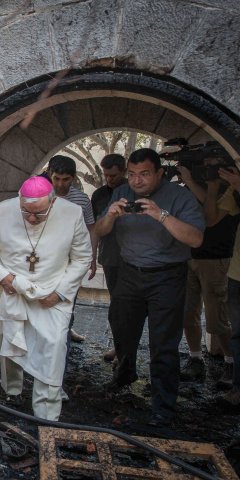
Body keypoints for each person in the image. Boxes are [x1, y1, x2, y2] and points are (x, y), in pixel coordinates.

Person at [94, 148, 205, 426]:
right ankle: (125, 372)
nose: (137, 181)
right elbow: (100, 231)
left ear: (159, 173)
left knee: (163, 342)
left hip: (167, 276)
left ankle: (163, 405)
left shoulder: (179, 197)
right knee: (121, 326)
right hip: (130, 272)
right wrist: (111, 215)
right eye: (132, 174)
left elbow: (195, 239)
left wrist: (161, 215)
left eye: (144, 174)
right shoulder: (122, 193)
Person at [0, 176, 91, 420]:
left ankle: (46, 413)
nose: (32, 218)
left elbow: (82, 257)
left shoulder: (73, 213)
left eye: (40, 213)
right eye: (25, 211)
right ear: (19, 200)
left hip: (53, 295)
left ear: (53, 201)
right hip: (13, 290)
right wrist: (2, 276)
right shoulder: (0, 213)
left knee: (54, 348)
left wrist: (60, 293)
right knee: (11, 342)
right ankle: (12, 392)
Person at [176, 159, 239, 386]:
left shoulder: (232, 190)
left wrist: (210, 186)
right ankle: (195, 359)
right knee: (187, 312)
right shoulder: (193, 189)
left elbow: (210, 218)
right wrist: (192, 183)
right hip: (190, 256)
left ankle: (231, 363)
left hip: (216, 259)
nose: (210, 171)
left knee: (217, 317)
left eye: (215, 166)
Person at [47, 155, 98, 343]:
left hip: (71, 260)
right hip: (44, 259)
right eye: (57, 179)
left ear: (74, 177)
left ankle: (66, 330)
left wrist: (92, 258)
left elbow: (91, 228)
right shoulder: (40, 195)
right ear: (50, 174)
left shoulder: (82, 199)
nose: (60, 184)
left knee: (68, 297)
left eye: (66, 179)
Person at [90, 154, 128, 362]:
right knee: (117, 305)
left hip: (134, 258)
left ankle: (126, 348)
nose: (109, 180)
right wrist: (92, 257)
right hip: (111, 257)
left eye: (113, 175)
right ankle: (119, 346)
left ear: (123, 171)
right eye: (106, 175)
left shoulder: (134, 192)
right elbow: (95, 228)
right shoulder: (99, 195)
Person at [216, 166, 240, 406]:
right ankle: (237, 386)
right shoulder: (234, 188)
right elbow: (212, 218)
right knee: (238, 332)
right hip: (237, 273)